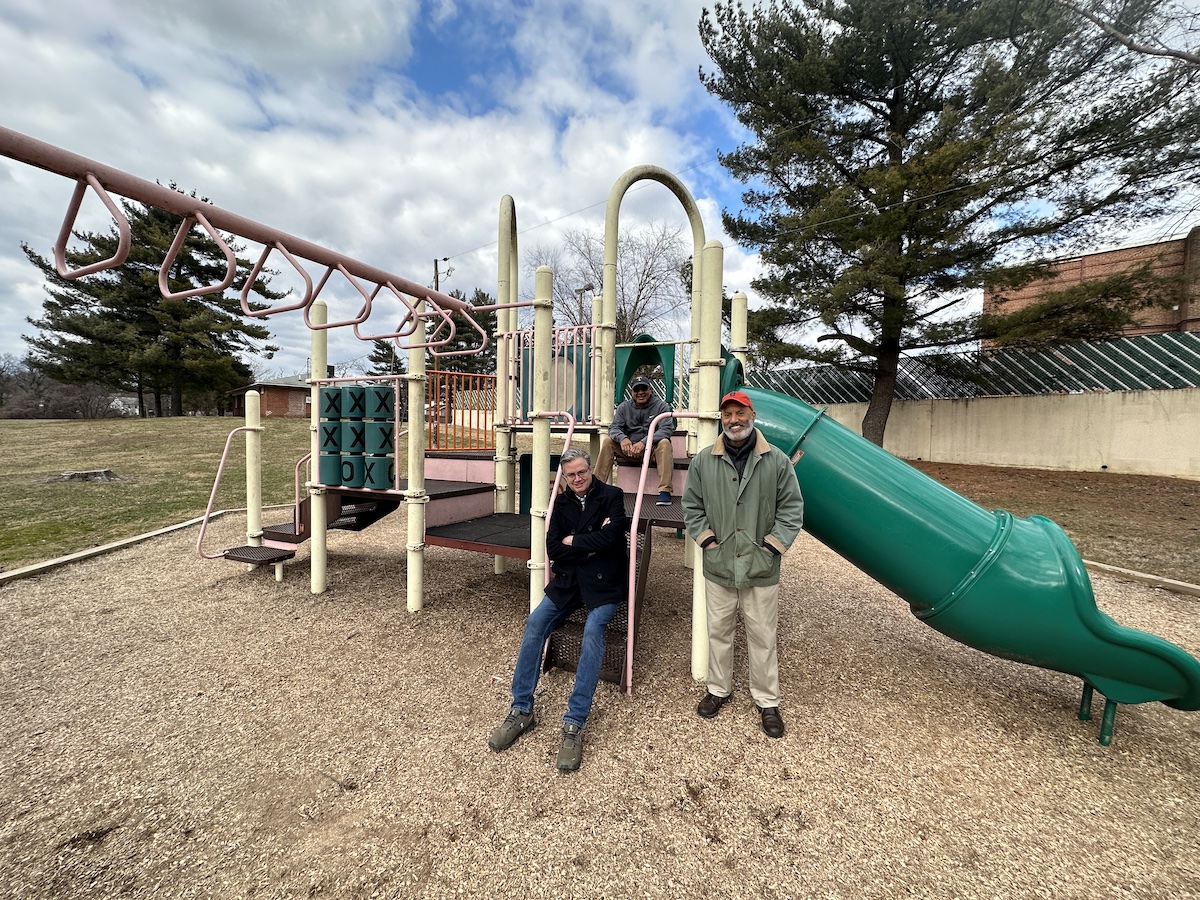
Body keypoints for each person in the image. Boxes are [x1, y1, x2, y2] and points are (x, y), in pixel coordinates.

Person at [488, 447, 629, 771]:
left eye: (582, 472)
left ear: (590, 470)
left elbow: (612, 541)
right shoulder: (561, 503)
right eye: (571, 475)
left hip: (603, 586)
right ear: (564, 477)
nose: (577, 479)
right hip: (567, 584)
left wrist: (573, 542)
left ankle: (574, 722)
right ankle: (522, 709)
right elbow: (553, 548)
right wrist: (587, 542)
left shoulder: (612, 495)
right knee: (535, 623)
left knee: (593, 632)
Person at [682, 390, 804, 739]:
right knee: (718, 631)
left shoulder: (777, 460)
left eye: (739, 413)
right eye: (727, 415)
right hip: (720, 562)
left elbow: (792, 508)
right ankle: (719, 690)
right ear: (722, 419)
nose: (733, 420)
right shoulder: (704, 460)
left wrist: (772, 547)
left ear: (752, 415)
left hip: (760, 565)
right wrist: (706, 540)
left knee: (763, 636)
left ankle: (767, 700)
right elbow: (692, 505)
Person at [595, 375, 677, 506]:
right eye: (636, 390)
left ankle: (665, 491)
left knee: (665, 443)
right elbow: (614, 427)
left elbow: (666, 429)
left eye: (643, 388)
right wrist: (623, 438)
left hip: (652, 452)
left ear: (650, 390)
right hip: (629, 450)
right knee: (607, 442)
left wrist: (644, 442)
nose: (640, 393)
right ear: (632, 392)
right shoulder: (623, 407)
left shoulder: (661, 406)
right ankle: (596, 487)